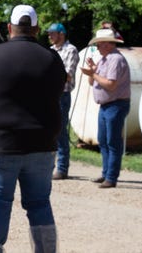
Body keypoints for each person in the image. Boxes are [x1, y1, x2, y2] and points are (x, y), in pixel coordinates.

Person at [0, 4, 66, 253]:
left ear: (9, 28)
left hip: (1, 144)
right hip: (42, 145)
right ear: (37, 29)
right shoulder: (53, 58)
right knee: (40, 203)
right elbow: (60, 88)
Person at [80, 28, 131, 189]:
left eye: (99, 44)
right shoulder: (105, 59)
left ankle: (111, 177)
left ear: (108, 44)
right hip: (107, 105)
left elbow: (111, 84)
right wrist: (93, 72)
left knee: (112, 141)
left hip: (116, 104)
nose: (97, 48)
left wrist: (93, 74)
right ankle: (106, 173)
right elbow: (92, 82)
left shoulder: (115, 59)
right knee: (103, 140)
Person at [46, 23, 79, 180]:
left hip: (62, 94)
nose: (50, 36)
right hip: (50, 94)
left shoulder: (70, 50)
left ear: (61, 34)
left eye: (52, 33)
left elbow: (68, 74)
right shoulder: (51, 51)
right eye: (49, 33)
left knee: (60, 131)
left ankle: (62, 167)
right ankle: (50, 165)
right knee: (49, 130)